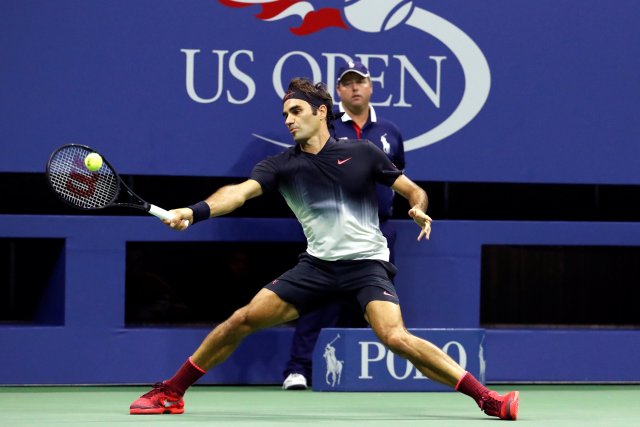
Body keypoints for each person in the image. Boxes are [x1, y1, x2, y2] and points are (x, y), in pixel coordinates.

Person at [129, 77, 519, 420]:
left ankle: (486, 399)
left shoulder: (363, 153)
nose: (288, 120)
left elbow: (412, 188)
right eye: (284, 114)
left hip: (366, 264)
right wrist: (193, 212)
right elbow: (238, 194)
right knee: (241, 319)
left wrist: (419, 206)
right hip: (317, 267)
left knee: (395, 336)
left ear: (321, 112)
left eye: (296, 111)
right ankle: (172, 392)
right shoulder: (280, 165)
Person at [282, 61, 405, 391]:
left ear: (370, 86)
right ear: (338, 91)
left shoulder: (389, 132)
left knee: (372, 305)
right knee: (316, 300)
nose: (354, 88)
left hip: (379, 230)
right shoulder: (330, 129)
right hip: (330, 228)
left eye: (359, 82)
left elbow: (397, 175)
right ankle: (299, 369)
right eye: (347, 83)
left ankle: (359, 372)